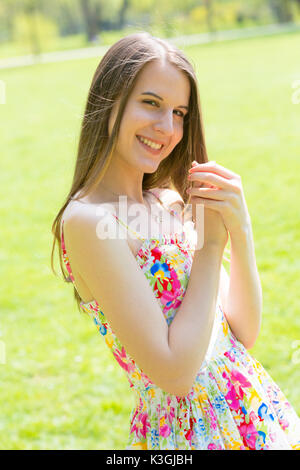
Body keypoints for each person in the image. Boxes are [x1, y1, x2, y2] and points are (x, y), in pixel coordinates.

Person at [50, 32, 300, 450]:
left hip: (254, 416)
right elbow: (175, 374)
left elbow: (243, 330)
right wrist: (207, 249)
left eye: (180, 112)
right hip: (190, 436)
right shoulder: (89, 222)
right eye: (151, 103)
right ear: (110, 100)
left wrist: (240, 231)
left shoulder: (168, 200)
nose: (167, 128)